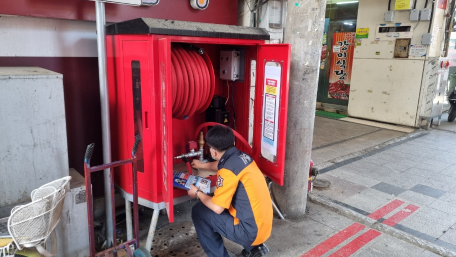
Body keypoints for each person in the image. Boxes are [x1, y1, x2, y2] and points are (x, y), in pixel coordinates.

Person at [188, 125, 272, 257]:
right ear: (232, 142)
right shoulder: (242, 157)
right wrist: (202, 165)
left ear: (213, 152)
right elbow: (220, 164)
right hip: (264, 226)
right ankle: (255, 248)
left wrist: (197, 193)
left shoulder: (227, 171)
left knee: (199, 211)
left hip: (250, 232)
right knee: (223, 199)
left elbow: (217, 208)